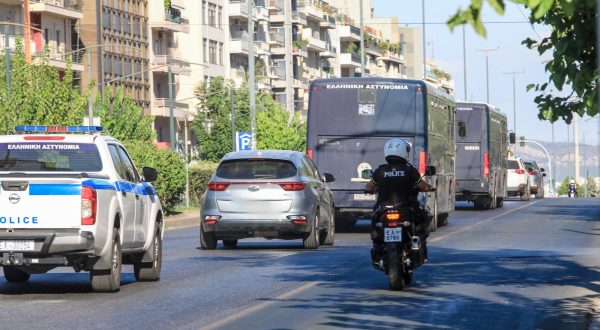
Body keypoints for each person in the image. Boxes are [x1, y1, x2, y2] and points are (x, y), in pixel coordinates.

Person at [365, 138, 434, 268]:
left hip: (384, 209)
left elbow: (369, 187)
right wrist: (430, 187)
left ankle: (378, 248)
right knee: (424, 217)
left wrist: (371, 190)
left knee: (374, 219)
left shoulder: (380, 171)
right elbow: (424, 186)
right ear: (404, 152)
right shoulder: (410, 170)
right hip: (405, 208)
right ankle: (418, 244)